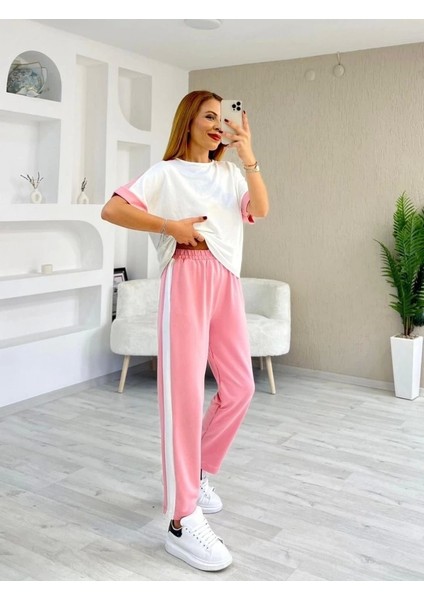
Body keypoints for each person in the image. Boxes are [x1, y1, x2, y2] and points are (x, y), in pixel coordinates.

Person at [101, 90, 269, 571]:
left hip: (226, 280)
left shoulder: (230, 173)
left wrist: (248, 153)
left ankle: (195, 473)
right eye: (209, 116)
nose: (218, 125)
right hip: (187, 276)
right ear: (188, 122)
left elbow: (260, 210)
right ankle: (181, 519)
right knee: (184, 397)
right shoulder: (166, 172)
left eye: (223, 118)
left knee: (240, 387)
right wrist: (168, 226)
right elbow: (112, 210)